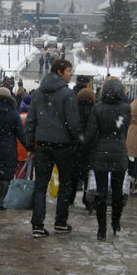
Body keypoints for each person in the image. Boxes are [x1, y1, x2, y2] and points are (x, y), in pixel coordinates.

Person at [24, 58, 83, 238]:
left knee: (41, 185)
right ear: (59, 72)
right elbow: (73, 122)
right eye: (68, 71)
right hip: (63, 145)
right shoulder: (67, 94)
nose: (71, 74)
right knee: (65, 183)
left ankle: (37, 225)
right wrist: (77, 140)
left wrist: (30, 143)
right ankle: (60, 222)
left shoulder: (39, 93)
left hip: (42, 144)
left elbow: (31, 120)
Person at [83, 77, 130, 240]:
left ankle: (101, 228)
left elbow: (91, 133)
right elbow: (125, 129)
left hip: (100, 152)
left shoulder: (97, 108)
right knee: (117, 192)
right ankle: (115, 222)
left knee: (101, 192)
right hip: (119, 152)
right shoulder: (126, 108)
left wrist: (84, 145)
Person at [0, 86, 26, 209]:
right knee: (6, 172)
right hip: (8, 145)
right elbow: (20, 132)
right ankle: (2, 198)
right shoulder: (13, 113)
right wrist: (28, 146)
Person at [71, 84, 96, 208]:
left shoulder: (73, 109)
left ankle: (70, 197)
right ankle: (87, 200)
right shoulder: (94, 111)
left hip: (75, 147)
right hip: (89, 148)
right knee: (87, 176)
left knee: (73, 175)